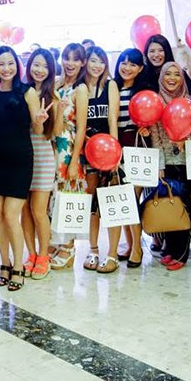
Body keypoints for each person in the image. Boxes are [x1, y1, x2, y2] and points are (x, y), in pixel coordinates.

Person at [0, 46, 49, 291]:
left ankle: (19, 266)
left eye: (10, 63)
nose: (6, 68)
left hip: (21, 159)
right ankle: (5, 263)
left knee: (12, 215)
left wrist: (39, 121)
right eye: (1, 64)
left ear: (17, 65)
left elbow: (38, 129)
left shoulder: (27, 91)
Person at [149, 62, 191, 271]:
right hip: (166, 164)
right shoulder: (156, 102)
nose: (172, 78)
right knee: (168, 206)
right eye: (168, 74)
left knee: (183, 209)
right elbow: (156, 138)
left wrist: (187, 142)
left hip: (186, 163)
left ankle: (181, 255)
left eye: (177, 74)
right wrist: (159, 165)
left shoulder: (189, 101)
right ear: (161, 77)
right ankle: (170, 249)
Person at [80, 47, 121, 274]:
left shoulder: (110, 85)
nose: (97, 66)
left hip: (108, 153)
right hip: (87, 154)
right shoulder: (80, 87)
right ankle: (93, 249)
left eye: (101, 62)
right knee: (92, 204)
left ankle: (112, 253)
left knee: (111, 203)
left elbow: (113, 120)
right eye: (93, 61)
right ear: (86, 62)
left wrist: (115, 153)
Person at [49, 43, 88, 270]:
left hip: (69, 148)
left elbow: (81, 127)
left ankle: (70, 247)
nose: (70, 63)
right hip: (52, 145)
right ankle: (57, 241)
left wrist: (74, 161)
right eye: (67, 58)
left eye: (75, 59)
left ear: (82, 63)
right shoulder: (56, 84)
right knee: (55, 195)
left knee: (69, 194)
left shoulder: (80, 89)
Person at [21, 49, 57, 280]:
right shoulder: (22, 91)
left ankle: (44, 256)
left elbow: (55, 132)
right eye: (36, 64)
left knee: (38, 211)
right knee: (24, 209)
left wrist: (54, 114)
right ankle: (31, 254)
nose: (39, 70)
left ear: (50, 70)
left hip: (43, 157)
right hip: (23, 156)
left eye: (44, 66)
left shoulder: (53, 95)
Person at [114, 48, 149, 268]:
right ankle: (130, 245)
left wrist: (146, 128)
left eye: (133, 64)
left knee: (131, 200)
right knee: (123, 199)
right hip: (115, 146)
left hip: (136, 146)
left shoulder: (143, 91)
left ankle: (138, 248)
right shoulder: (113, 87)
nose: (127, 68)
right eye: (124, 63)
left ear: (141, 68)